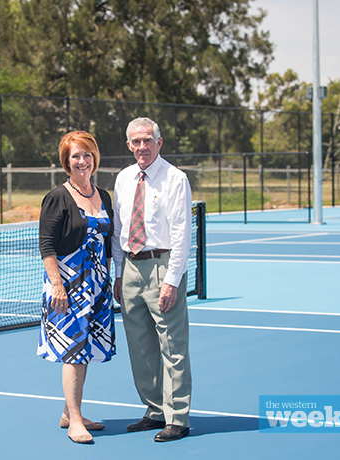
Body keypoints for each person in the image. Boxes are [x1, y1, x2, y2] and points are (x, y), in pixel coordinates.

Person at [112, 117, 193, 442]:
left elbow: (182, 234)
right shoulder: (123, 178)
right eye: (136, 141)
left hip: (162, 267)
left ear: (159, 142)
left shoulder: (175, 179)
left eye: (148, 140)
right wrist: (119, 274)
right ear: (129, 145)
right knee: (141, 346)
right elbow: (118, 229)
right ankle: (154, 410)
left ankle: (178, 418)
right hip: (130, 267)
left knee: (172, 346)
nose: (142, 147)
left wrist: (172, 280)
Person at [37, 131, 115, 445]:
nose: (82, 162)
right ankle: (75, 421)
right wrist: (57, 285)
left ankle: (70, 412)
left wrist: (110, 281)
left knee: (83, 351)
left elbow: (108, 245)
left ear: (95, 158)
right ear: (66, 162)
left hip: (97, 285)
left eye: (87, 155)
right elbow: (47, 246)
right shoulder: (58, 196)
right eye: (75, 157)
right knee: (72, 352)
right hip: (67, 285)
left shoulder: (104, 196)